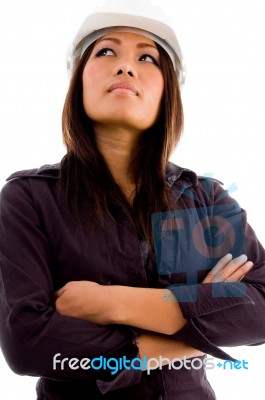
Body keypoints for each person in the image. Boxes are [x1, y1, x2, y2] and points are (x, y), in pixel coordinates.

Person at [0, 2, 265, 399]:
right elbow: (27, 343)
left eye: (147, 57)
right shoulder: (29, 200)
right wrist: (190, 330)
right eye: (106, 51)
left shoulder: (206, 199)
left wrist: (109, 302)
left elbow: (259, 309)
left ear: (168, 91)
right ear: (79, 79)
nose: (125, 67)